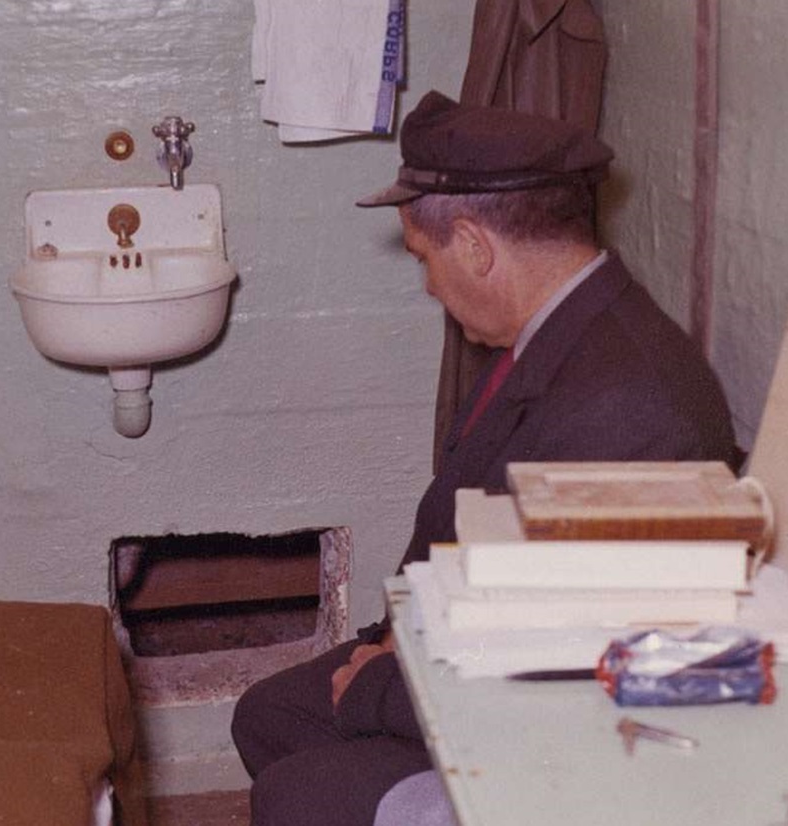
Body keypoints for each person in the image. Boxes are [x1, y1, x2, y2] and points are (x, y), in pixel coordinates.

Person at [230, 90, 739, 826]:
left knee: (297, 792)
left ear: (474, 246)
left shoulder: (629, 410)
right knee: (269, 715)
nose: (429, 285)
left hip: (577, 740)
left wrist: (381, 688)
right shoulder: (565, 332)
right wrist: (390, 644)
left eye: (424, 258)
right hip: (476, 645)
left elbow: (570, 673)